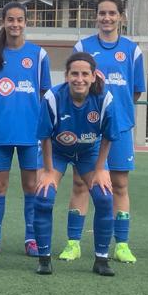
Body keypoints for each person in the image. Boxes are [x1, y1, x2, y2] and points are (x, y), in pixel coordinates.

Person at [59, 0, 144, 264]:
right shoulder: (82, 46)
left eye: (112, 13)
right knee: (80, 183)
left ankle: (122, 244)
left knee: (119, 185)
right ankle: (73, 243)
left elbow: (136, 92)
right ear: (95, 16)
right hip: (86, 128)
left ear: (121, 17)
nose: (106, 18)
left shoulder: (132, 50)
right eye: (102, 13)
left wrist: (117, 115)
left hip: (118, 129)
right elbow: (74, 84)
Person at [32, 53, 118, 277]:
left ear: (92, 76)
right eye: (74, 74)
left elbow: (108, 137)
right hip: (56, 152)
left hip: (89, 152)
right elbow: (45, 136)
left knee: (104, 196)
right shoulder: (53, 97)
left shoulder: (104, 99)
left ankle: (101, 259)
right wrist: (49, 171)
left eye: (84, 74)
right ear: (66, 76)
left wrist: (100, 169)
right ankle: (44, 258)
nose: (79, 79)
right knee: (43, 196)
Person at [0, 1, 51, 257]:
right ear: (3, 22)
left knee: (31, 187)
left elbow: (45, 96)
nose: (15, 24)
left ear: (26, 22)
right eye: (10, 19)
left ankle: (31, 239)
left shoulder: (39, 55)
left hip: (31, 134)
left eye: (20, 20)